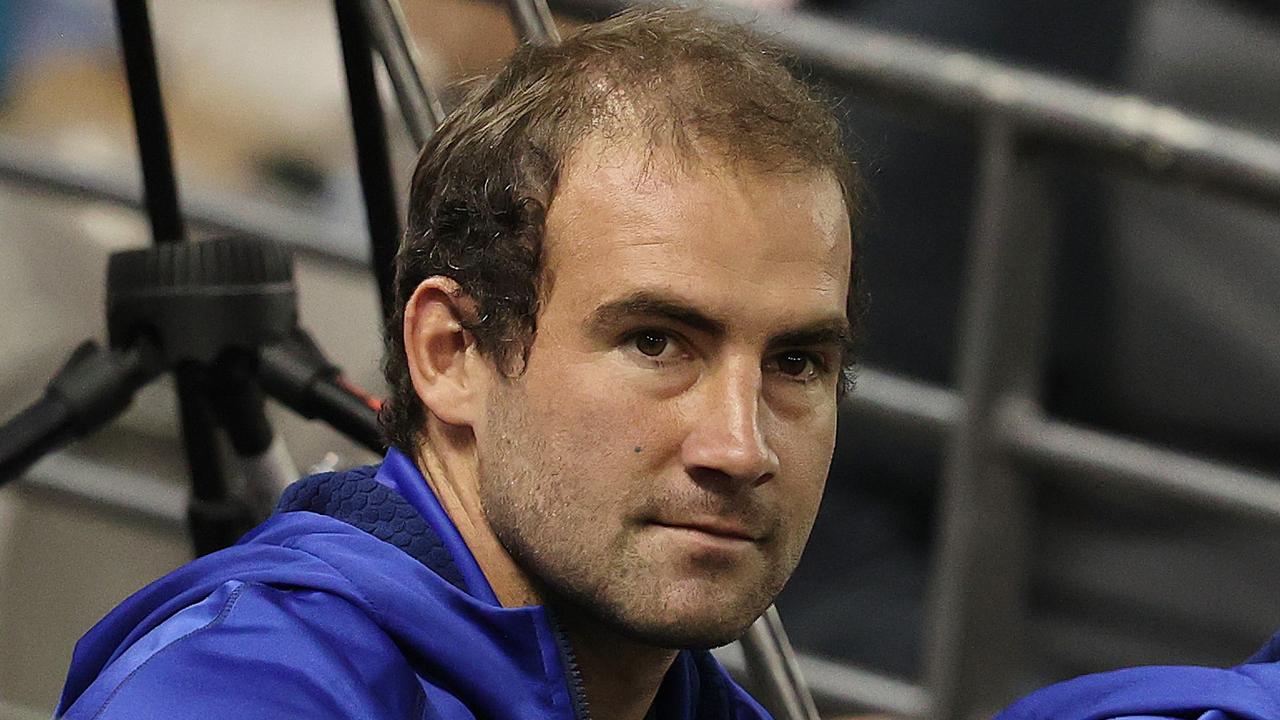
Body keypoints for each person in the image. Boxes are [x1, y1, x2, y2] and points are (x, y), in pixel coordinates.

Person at [55, 7, 864, 719]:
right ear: (451, 354)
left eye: (795, 362)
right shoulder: (239, 694)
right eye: (654, 343)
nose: (738, 446)